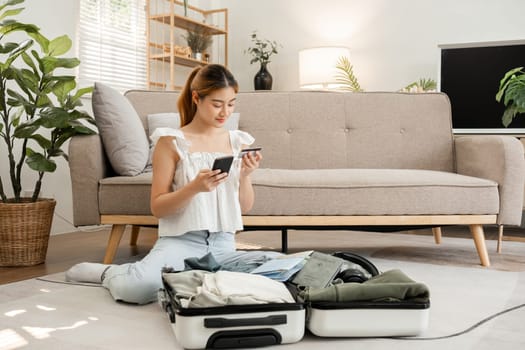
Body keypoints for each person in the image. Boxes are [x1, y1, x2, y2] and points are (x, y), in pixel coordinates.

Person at [66, 64, 281, 304]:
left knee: (280, 271)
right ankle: (110, 272)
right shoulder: (170, 141)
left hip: (222, 245)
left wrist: (245, 176)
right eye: (217, 104)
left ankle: (192, 279)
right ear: (196, 98)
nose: (225, 113)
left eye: (231, 104)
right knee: (137, 289)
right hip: (181, 241)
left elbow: (244, 208)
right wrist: (194, 188)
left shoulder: (236, 142)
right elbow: (158, 207)